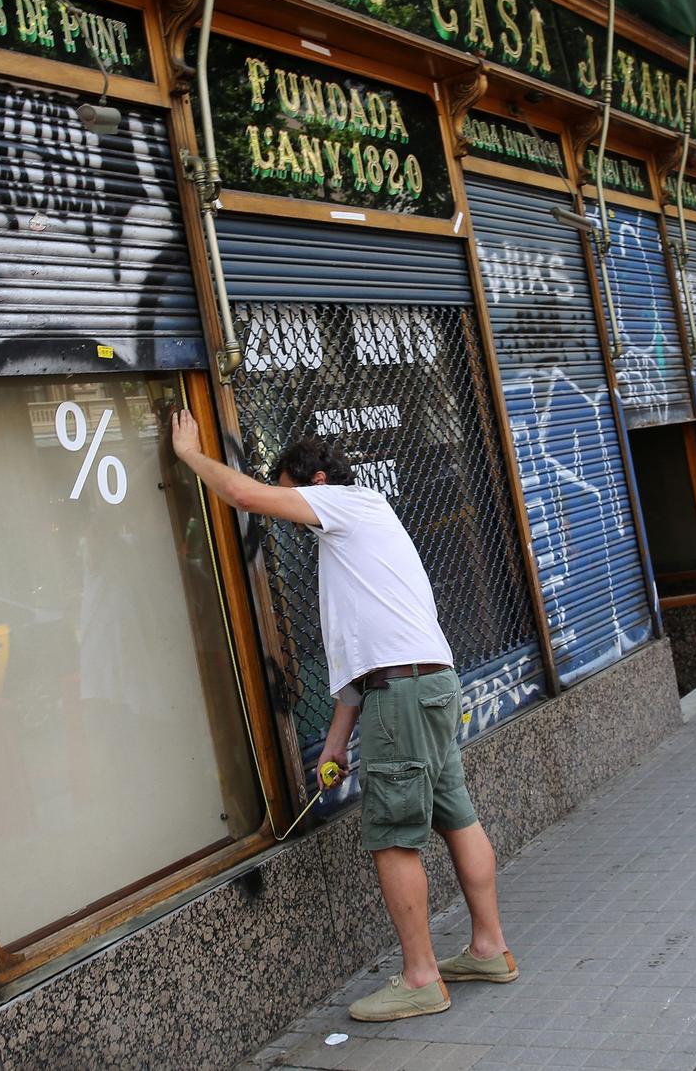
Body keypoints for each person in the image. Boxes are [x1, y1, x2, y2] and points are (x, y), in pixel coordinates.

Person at [168, 415, 514, 1021]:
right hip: (425, 684)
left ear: (317, 482)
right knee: (456, 816)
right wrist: (334, 745)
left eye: (292, 494)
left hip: (403, 697)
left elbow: (247, 495)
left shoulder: (347, 506)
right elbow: (365, 663)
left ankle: (420, 977)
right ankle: (489, 948)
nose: (291, 513)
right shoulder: (360, 535)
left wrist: (192, 455)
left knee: (390, 836)